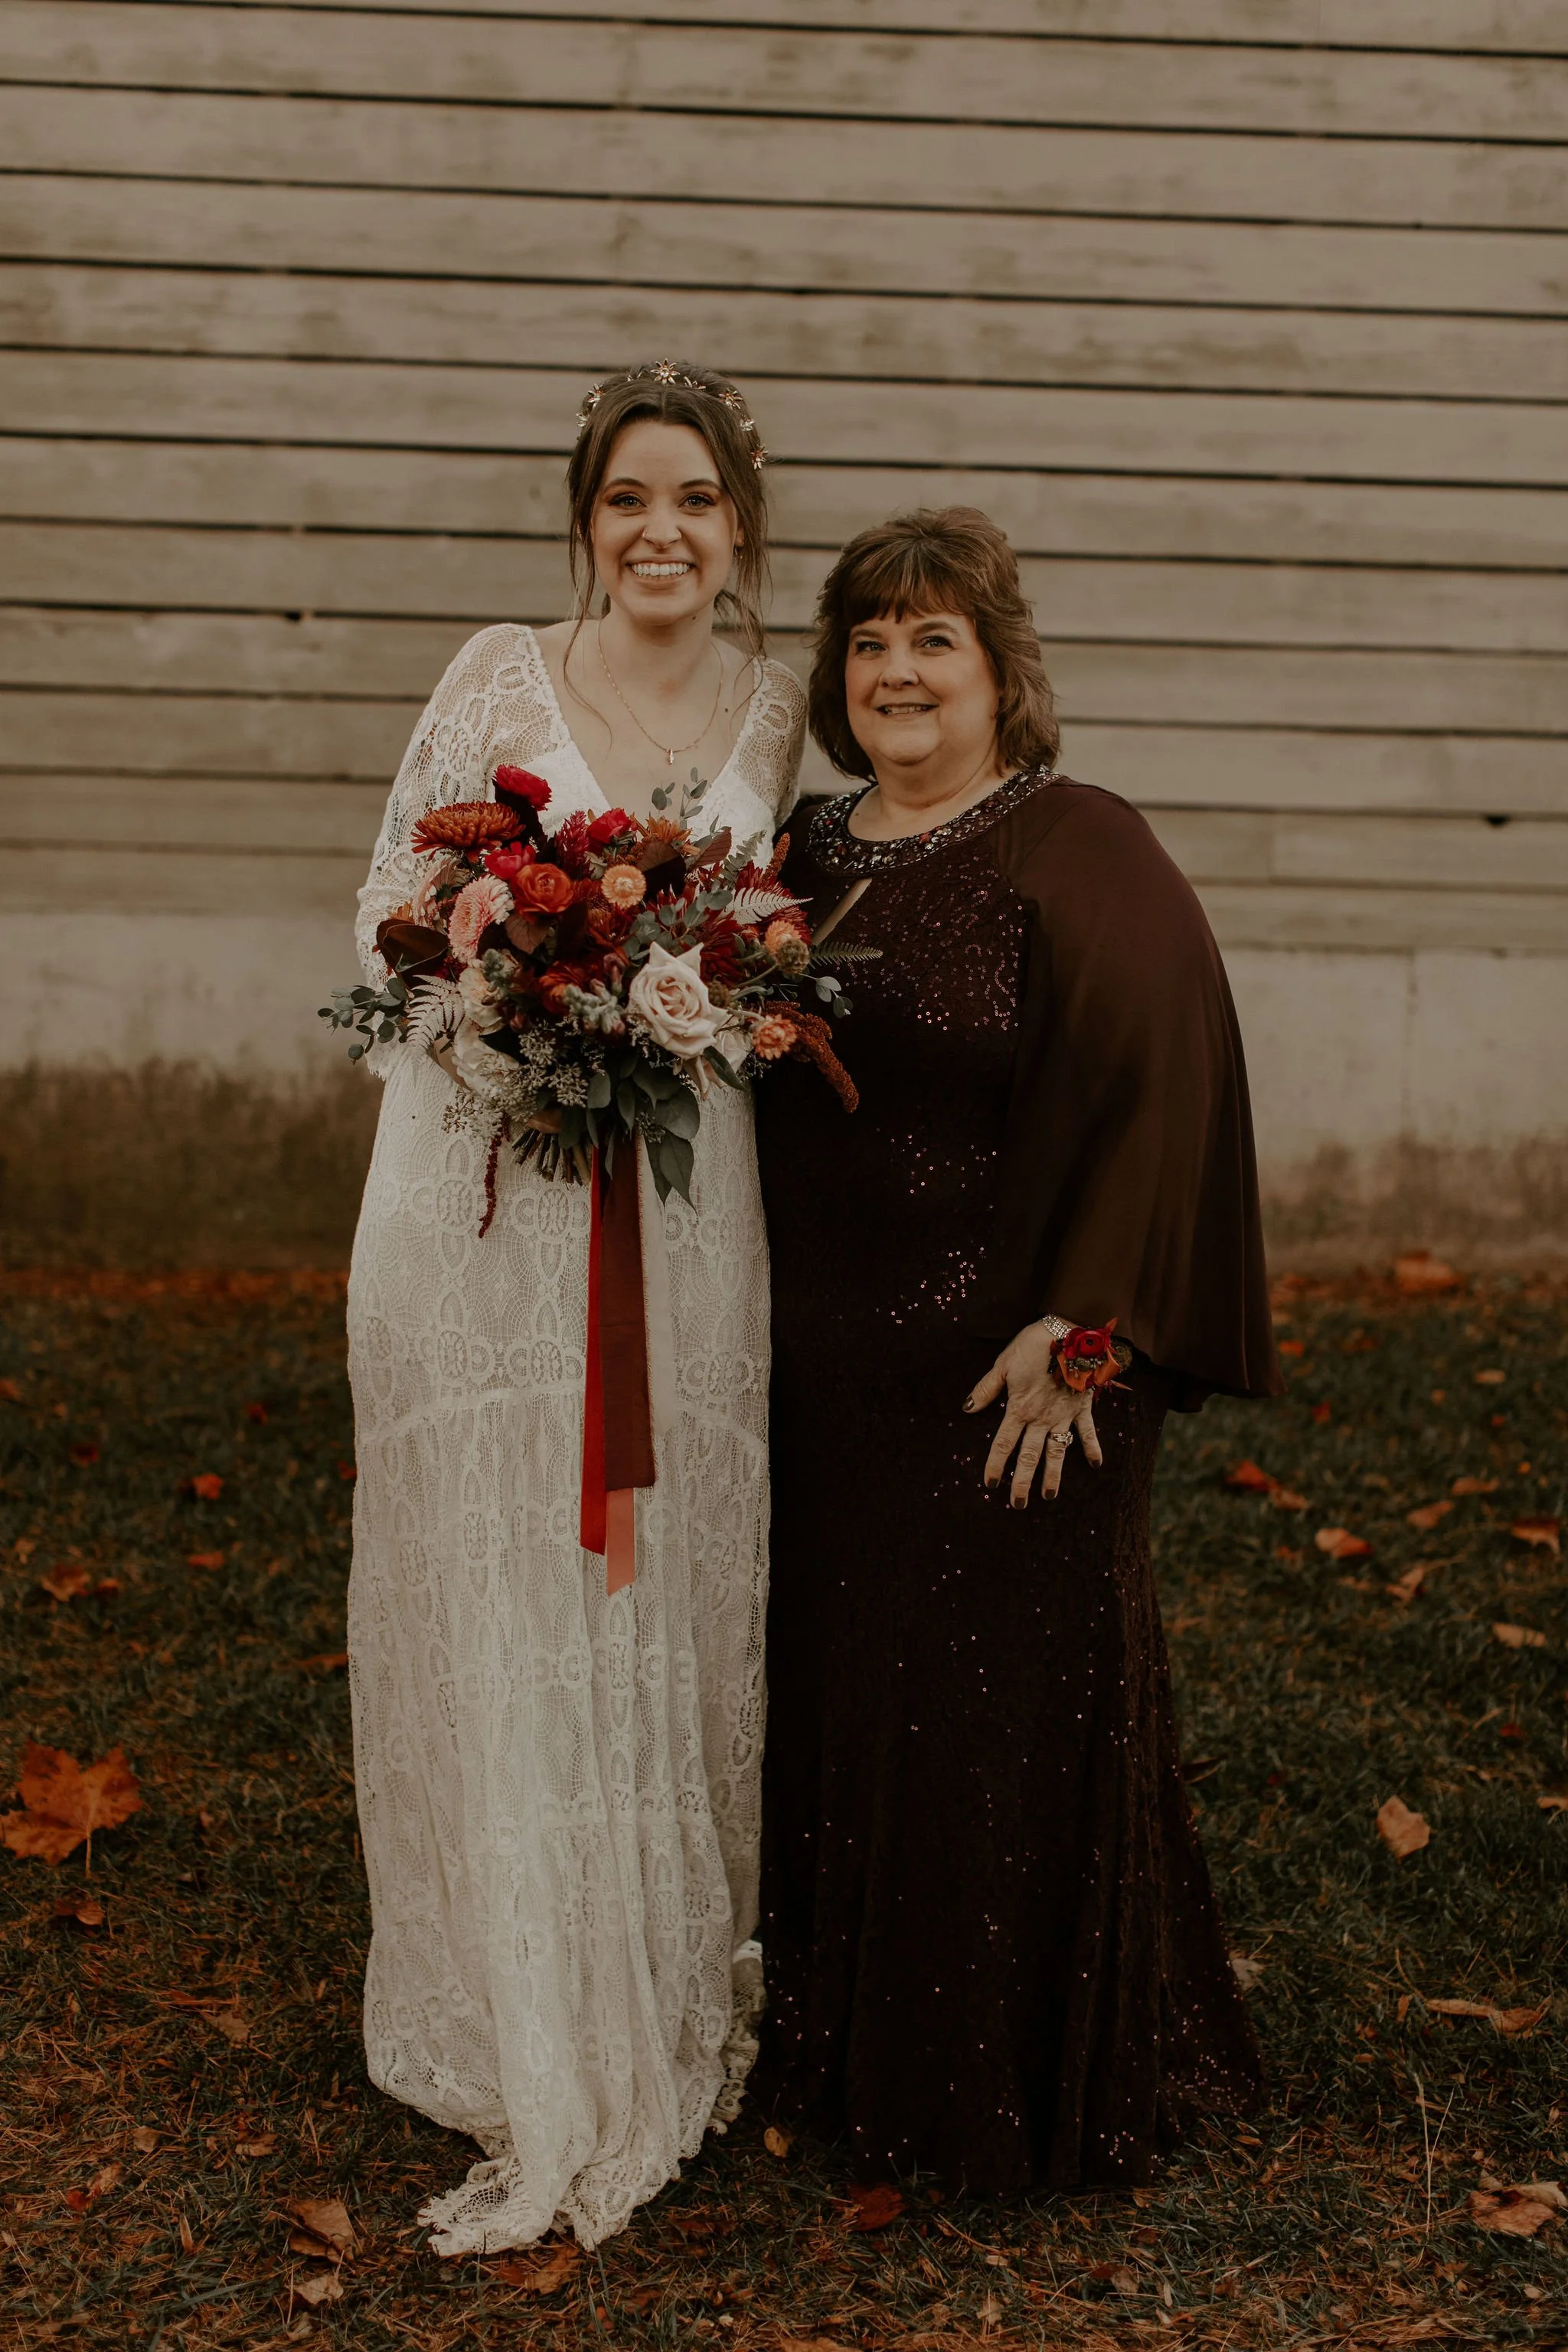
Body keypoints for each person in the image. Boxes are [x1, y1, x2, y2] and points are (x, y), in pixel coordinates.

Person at [753, 507, 1280, 2194]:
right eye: (868, 641)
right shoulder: (796, 853)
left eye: (935, 640)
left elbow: (1168, 1090)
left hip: (1014, 1365)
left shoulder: (1079, 842)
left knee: (986, 1723)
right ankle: (845, 2059)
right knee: (847, 1701)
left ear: (998, 672)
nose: (896, 672)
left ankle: (1000, 2089)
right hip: (823, 1365)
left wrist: (1088, 1331)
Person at [346, 363, 805, 2252]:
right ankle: (513, 1983)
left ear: (739, 525)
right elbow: (389, 919)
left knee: (659, 1566)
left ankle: (654, 1956)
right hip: (493, 1204)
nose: (660, 532)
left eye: (693, 499)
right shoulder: (495, 679)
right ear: (584, 521)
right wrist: (525, 1017)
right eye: (627, 499)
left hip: (685, 1214)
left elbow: (775, 949)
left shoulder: (777, 705)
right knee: (516, 1569)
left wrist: (688, 1004)